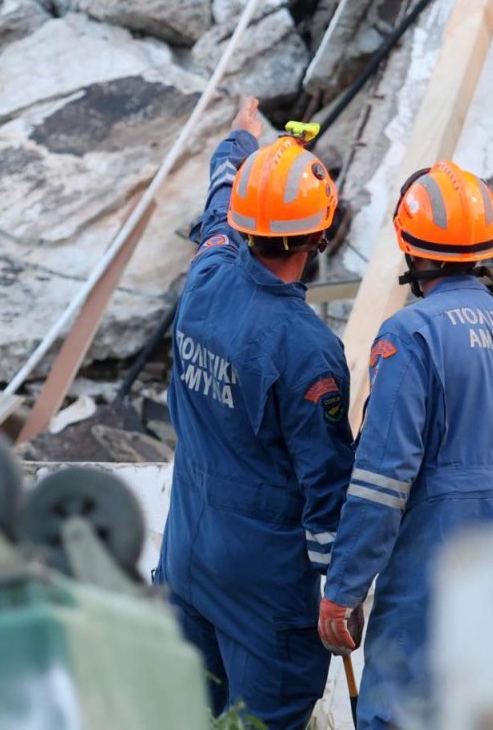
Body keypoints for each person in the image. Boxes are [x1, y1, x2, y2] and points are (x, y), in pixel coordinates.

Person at [316, 161, 493, 728]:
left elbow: (382, 481)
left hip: (432, 587)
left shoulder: (410, 337)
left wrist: (344, 589)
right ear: (487, 246)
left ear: (410, 247)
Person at [156, 97, 355, 729]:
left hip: (191, 551)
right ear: (321, 235)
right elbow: (327, 486)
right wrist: (341, 589)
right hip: (263, 587)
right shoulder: (308, 350)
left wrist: (239, 145)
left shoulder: (207, 274)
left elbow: (220, 207)